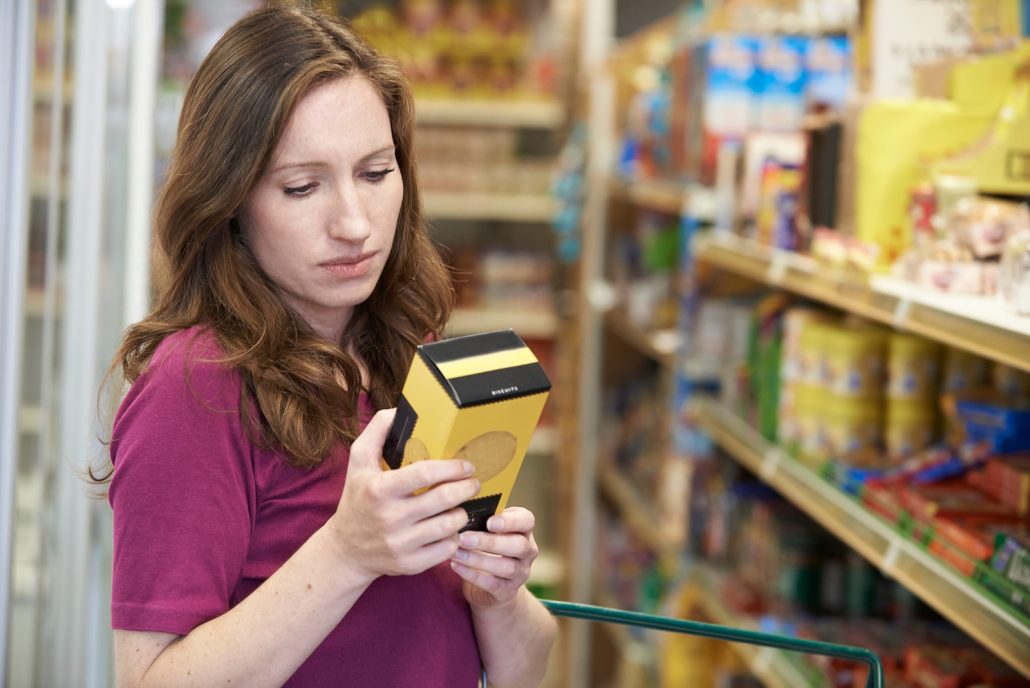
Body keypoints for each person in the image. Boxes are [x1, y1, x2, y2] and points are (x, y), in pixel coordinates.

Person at [98, 5, 557, 687]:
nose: (353, 223)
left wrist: (496, 593)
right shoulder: (194, 388)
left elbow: (526, 667)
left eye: (375, 173)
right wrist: (345, 553)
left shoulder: (405, 348)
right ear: (229, 201)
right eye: (302, 186)